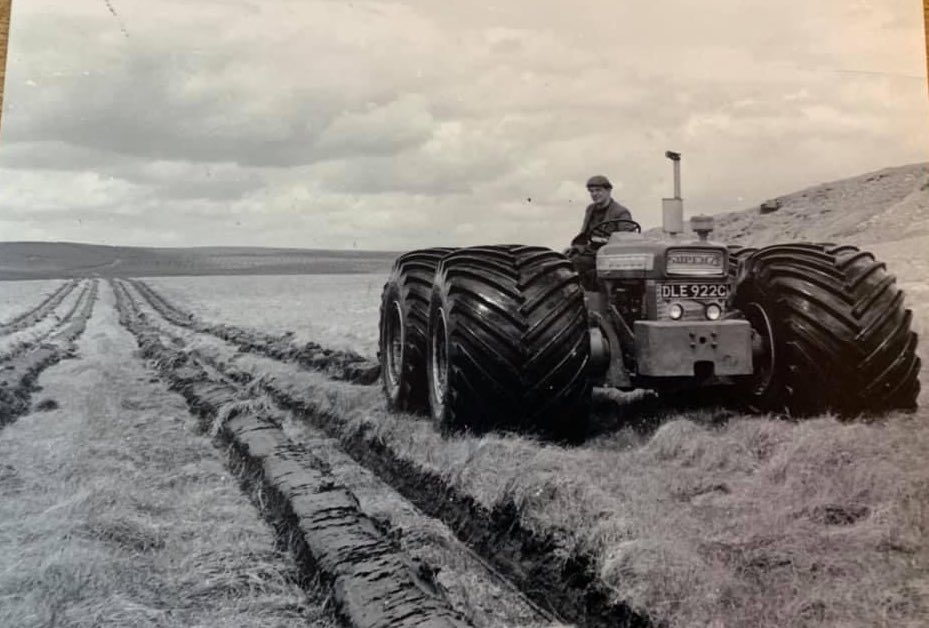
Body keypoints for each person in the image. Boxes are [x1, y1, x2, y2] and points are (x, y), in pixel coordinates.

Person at [567, 174, 636, 286]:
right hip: (591, 252)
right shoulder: (590, 209)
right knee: (564, 261)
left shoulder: (621, 212)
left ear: (608, 191)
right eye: (591, 191)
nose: (594, 194)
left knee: (576, 264)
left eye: (598, 190)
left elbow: (628, 239)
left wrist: (603, 240)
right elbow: (584, 234)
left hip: (609, 255)